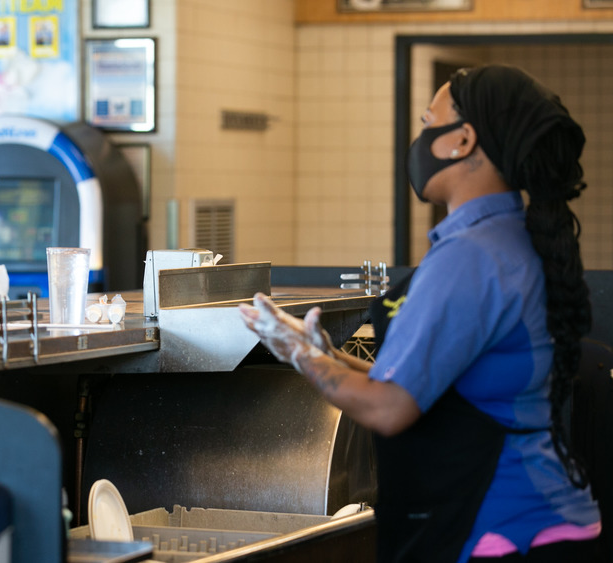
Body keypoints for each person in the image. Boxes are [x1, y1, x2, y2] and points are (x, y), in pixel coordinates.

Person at [239, 65, 606, 562]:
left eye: (428, 120)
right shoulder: (504, 240)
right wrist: (330, 356)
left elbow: (390, 409)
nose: (420, 137)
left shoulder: (470, 257)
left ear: (462, 140)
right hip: (541, 521)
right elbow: (434, 389)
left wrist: (303, 358)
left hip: (500, 529)